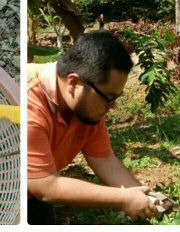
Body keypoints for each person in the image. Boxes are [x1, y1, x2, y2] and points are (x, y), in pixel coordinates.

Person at [27, 31, 160, 224]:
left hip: (34, 190)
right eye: (109, 97)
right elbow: (47, 186)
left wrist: (148, 198)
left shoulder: (87, 105)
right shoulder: (29, 107)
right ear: (73, 82)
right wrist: (123, 199)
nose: (111, 106)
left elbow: (103, 158)